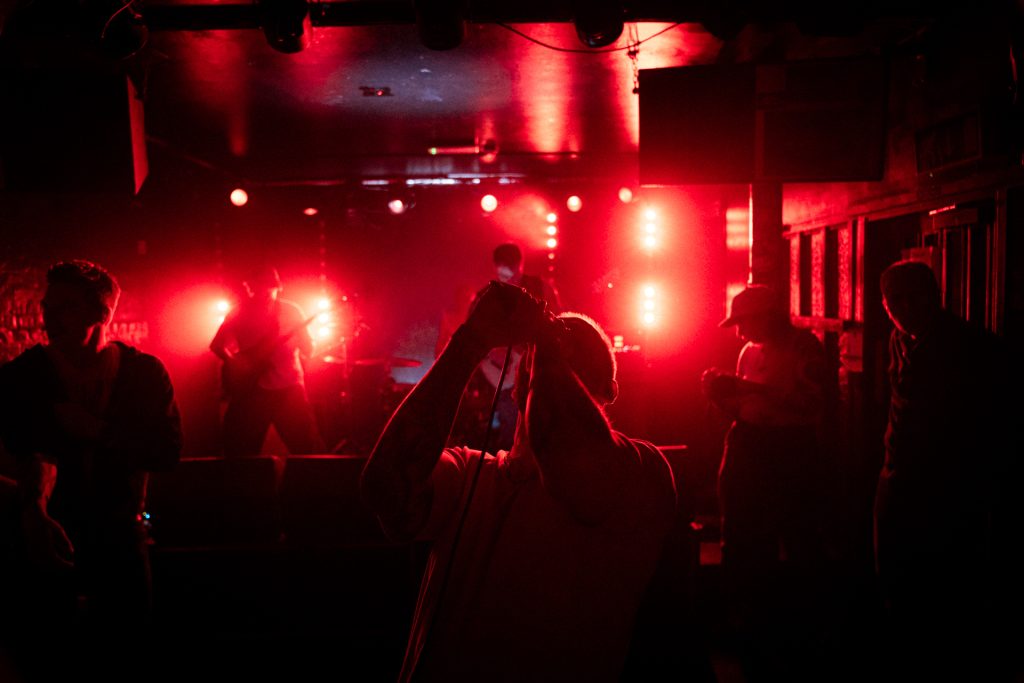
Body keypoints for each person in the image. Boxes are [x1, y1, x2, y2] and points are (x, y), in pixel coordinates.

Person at [360, 281, 677, 682]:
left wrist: (545, 343)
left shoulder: (643, 471)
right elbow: (384, 487)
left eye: (575, 361)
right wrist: (470, 341)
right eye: (546, 355)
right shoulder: (467, 477)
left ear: (612, 391)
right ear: (515, 391)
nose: (554, 357)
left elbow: (572, 465)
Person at [0, 260, 182, 678]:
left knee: (126, 649)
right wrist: (34, 510)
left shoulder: (142, 373)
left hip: (121, 532)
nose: (47, 317)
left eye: (63, 307)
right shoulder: (23, 377)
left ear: (100, 314)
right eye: (47, 306)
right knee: (49, 654)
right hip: (50, 535)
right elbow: (28, 451)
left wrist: (99, 430)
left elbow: (167, 452)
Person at [874, 259, 1019, 680]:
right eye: (891, 301)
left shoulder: (972, 347)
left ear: (932, 297)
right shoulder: (898, 340)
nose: (900, 309)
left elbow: (994, 420)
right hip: (898, 472)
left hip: (947, 482)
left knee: (946, 579)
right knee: (893, 573)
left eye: (908, 298)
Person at [701, 283, 828, 680]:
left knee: (797, 536)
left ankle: (802, 632)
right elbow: (747, 406)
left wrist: (745, 388)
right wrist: (722, 396)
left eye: (745, 323)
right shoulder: (747, 352)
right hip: (748, 443)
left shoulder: (804, 349)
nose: (740, 333)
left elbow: (814, 403)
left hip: (790, 450)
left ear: (768, 316)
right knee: (740, 535)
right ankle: (748, 622)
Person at [209, 265, 323, 457]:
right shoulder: (239, 312)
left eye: (268, 288)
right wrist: (236, 364)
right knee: (241, 453)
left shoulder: (291, 311)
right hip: (253, 391)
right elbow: (217, 345)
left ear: (276, 288)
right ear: (251, 288)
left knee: (305, 448)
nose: (264, 293)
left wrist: (306, 349)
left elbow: (307, 348)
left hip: (288, 388)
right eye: (258, 287)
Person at [473, 243, 563, 451]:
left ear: (520, 264)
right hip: (506, 376)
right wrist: (492, 352)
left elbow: (558, 322)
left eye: (510, 268)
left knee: (537, 424)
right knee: (512, 427)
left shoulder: (540, 288)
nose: (507, 275)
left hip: (538, 368)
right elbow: (473, 334)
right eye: (502, 269)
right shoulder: (487, 294)